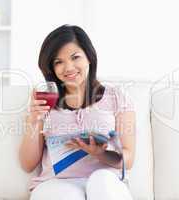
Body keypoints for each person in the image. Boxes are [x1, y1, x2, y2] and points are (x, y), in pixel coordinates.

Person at [19, 24, 136, 200]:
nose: (68, 68)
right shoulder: (45, 96)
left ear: (89, 57)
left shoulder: (117, 96)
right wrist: (34, 120)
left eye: (75, 57)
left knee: (101, 181)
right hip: (56, 183)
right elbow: (27, 164)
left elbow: (128, 159)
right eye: (59, 62)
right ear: (51, 67)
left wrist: (99, 153)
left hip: (105, 180)